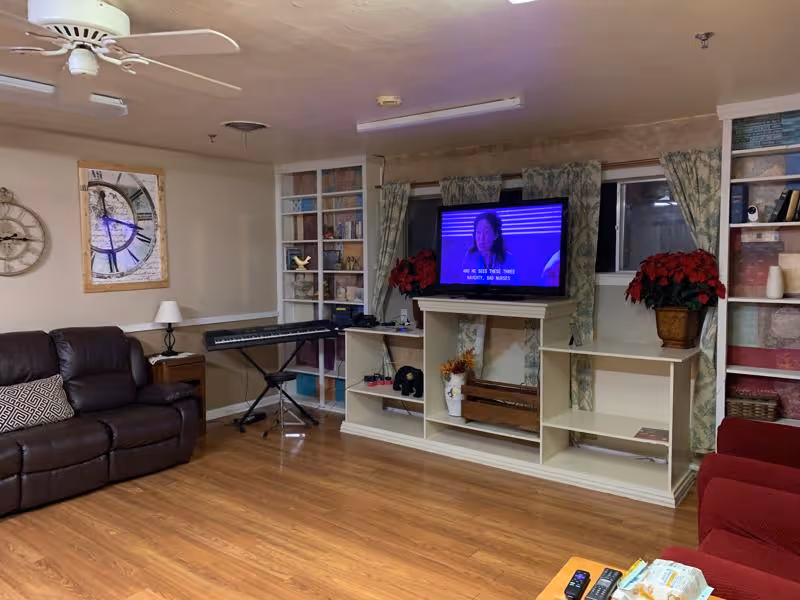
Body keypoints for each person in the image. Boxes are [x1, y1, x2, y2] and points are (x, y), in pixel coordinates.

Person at [461, 212, 517, 282]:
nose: (481, 238)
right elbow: (464, 284)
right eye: (478, 232)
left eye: (486, 232)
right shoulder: (470, 256)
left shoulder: (508, 259)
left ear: (496, 235)